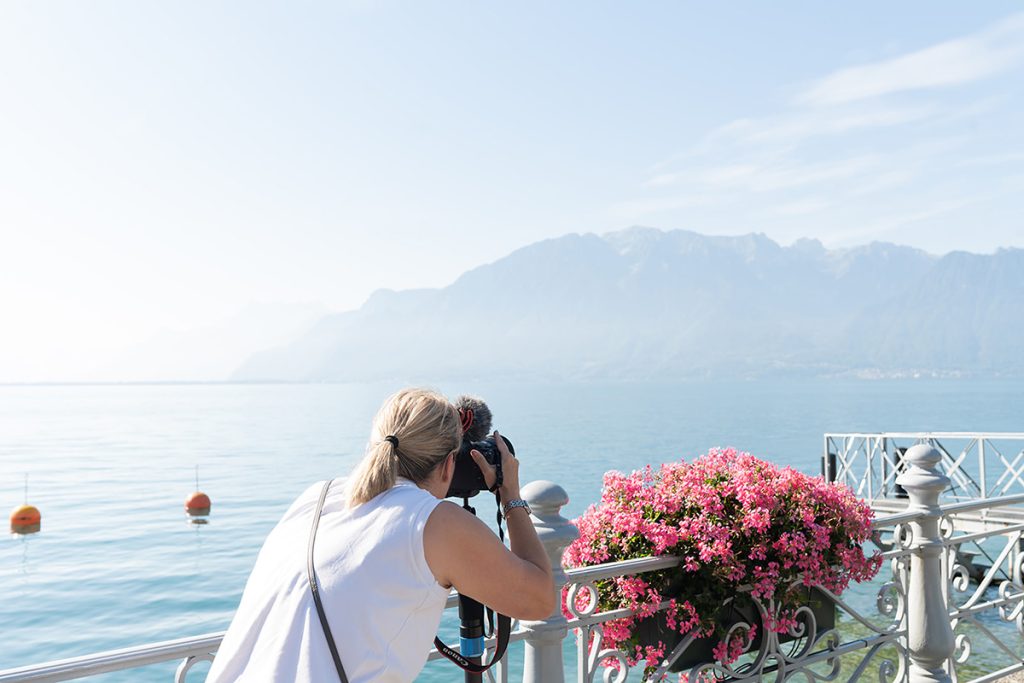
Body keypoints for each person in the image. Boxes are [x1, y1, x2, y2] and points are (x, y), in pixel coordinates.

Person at [205, 388, 554, 683]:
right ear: (450, 464)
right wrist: (510, 495)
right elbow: (540, 600)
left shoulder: (317, 497)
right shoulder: (436, 523)